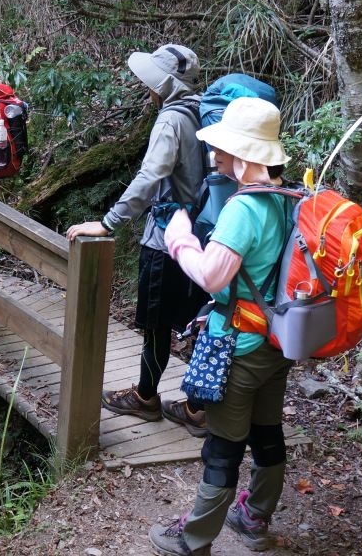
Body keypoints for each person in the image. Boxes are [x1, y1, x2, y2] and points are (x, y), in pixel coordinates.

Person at [148, 97, 293, 556]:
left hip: (240, 345)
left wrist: (179, 240)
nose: (215, 155)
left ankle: (194, 540)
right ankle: (254, 518)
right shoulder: (287, 199)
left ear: (245, 156)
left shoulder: (243, 209)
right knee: (267, 433)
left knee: (222, 447)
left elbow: (212, 277)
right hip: (275, 341)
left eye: (223, 148)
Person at [66, 44, 209, 436]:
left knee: (156, 324)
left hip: (167, 239)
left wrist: (108, 223)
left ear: (162, 85)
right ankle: (197, 406)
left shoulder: (171, 120)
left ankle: (146, 397)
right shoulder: (205, 110)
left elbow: (150, 177)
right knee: (199, 322)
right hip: (204, 236)